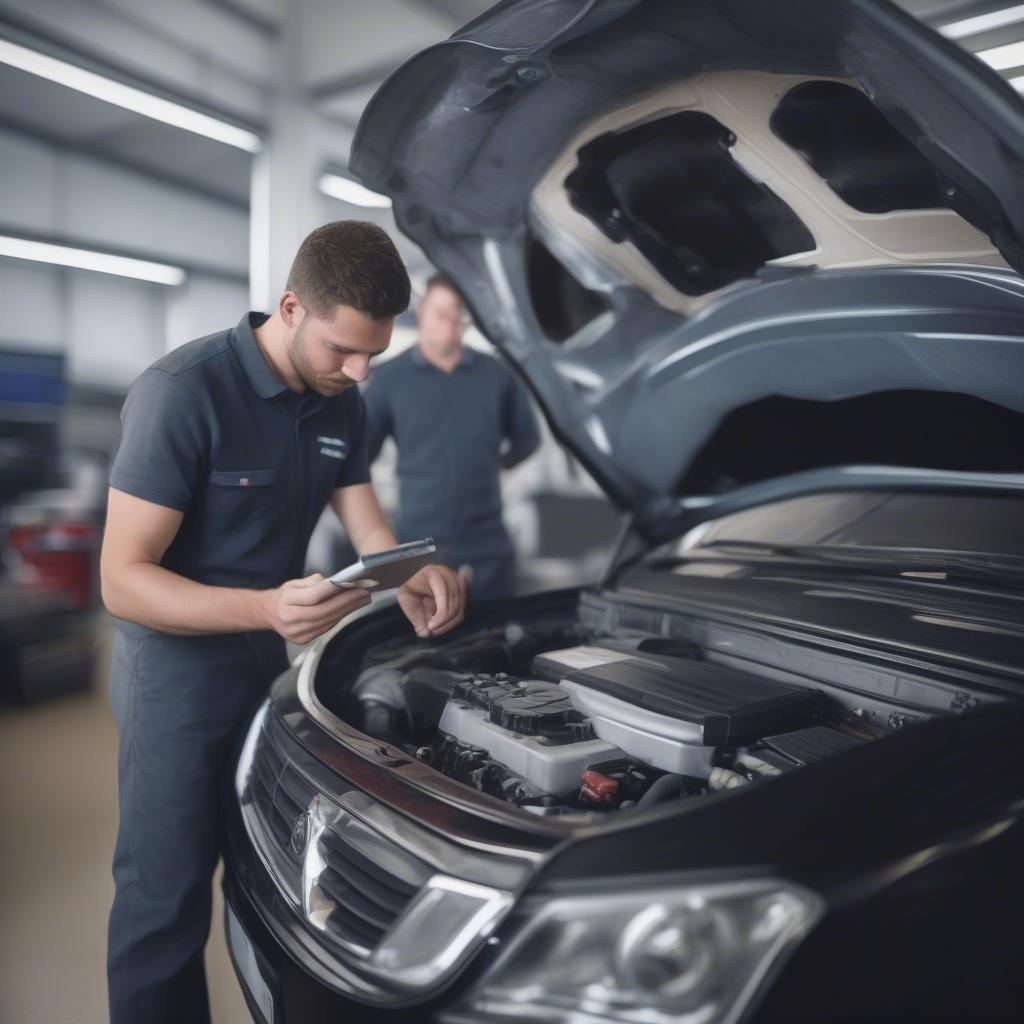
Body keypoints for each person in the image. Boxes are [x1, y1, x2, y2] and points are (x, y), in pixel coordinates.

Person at [99, 220, 466, 1024]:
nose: (361, 369)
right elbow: (121, 582)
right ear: (292, 307)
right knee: (163, 907)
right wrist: (267, 606)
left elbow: (368, 524)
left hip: (271, 677)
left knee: (266, 878)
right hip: (176, 684)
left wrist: (409, 571)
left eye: (375, 351)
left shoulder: (343, 399)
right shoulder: (183, 393)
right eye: (345, 349)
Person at [361, 273, 541, 600]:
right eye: (440, 312)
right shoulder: (388, 380)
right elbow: (358, 459)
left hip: (489, 547)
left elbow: (527, 439)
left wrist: (492, 466)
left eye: (459, 312)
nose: (451, 321)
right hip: (418, 551)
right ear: (422, 313)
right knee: (424, 645)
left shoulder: (498, 375)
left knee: (496, 643)